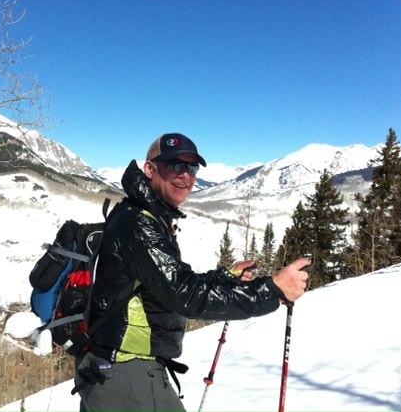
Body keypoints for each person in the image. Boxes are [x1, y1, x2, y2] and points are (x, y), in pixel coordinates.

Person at [74, 133, 310, 412]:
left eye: (192, 167)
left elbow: (170, 282)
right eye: (175, 164)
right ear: (149, 169)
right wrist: (270, 291)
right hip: (125, 370)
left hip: (113, 368)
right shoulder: (139, 223)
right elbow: (185, 295)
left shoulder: (146, 215)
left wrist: (225, 277)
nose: (185, 175)